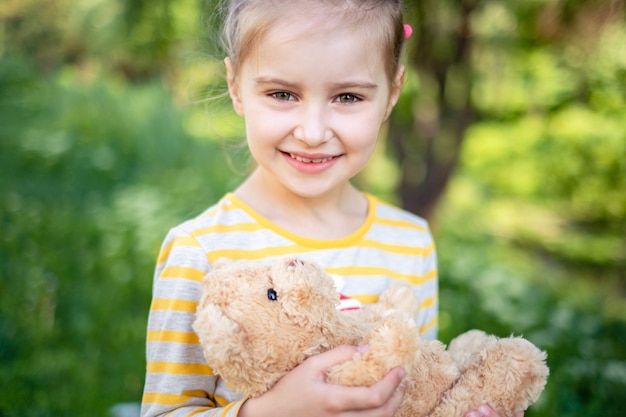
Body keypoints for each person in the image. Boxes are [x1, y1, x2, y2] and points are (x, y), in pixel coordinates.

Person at [140, 1, 523, 417]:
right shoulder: (200, 251)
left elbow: (415, 393)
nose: (313, 132)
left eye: (347, 96)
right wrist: (272, 411)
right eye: (282, 94)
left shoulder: (409, 242)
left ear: (392, 92)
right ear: (236, 87)